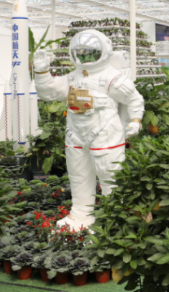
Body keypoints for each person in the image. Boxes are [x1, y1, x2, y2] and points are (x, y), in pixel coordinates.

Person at [31, 30, 144, 231]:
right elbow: (50, 93)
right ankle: (81, 213)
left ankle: (113, 216)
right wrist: (42, 73)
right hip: (76, 133)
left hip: (105, 132)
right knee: (78, 174)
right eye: (82, 53)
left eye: (91, 53)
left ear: (104, 51)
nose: (86, 58)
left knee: (110, 174)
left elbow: (133, 99)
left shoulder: (110, 77)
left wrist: (135, 120)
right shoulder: (72, 77)